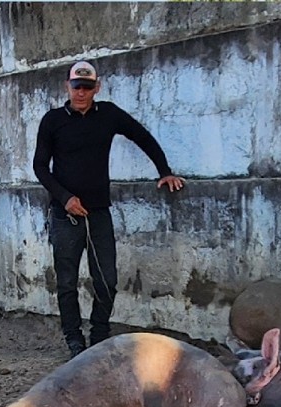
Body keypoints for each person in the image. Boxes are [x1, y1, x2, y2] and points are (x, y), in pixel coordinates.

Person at [32, 61, 185, 357]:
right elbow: (40, 166)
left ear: (97, 88)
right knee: (67, 281)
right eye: (77, 86)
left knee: (107, 280)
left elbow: (142, 136)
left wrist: (164, 170)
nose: (81, 92)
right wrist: (65, 198)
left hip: (99, 211)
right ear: (68, 86)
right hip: (65, 214)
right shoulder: (52, 121)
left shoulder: (109, 115)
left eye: (87, 87)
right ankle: (74, 338)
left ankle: (99, 333)